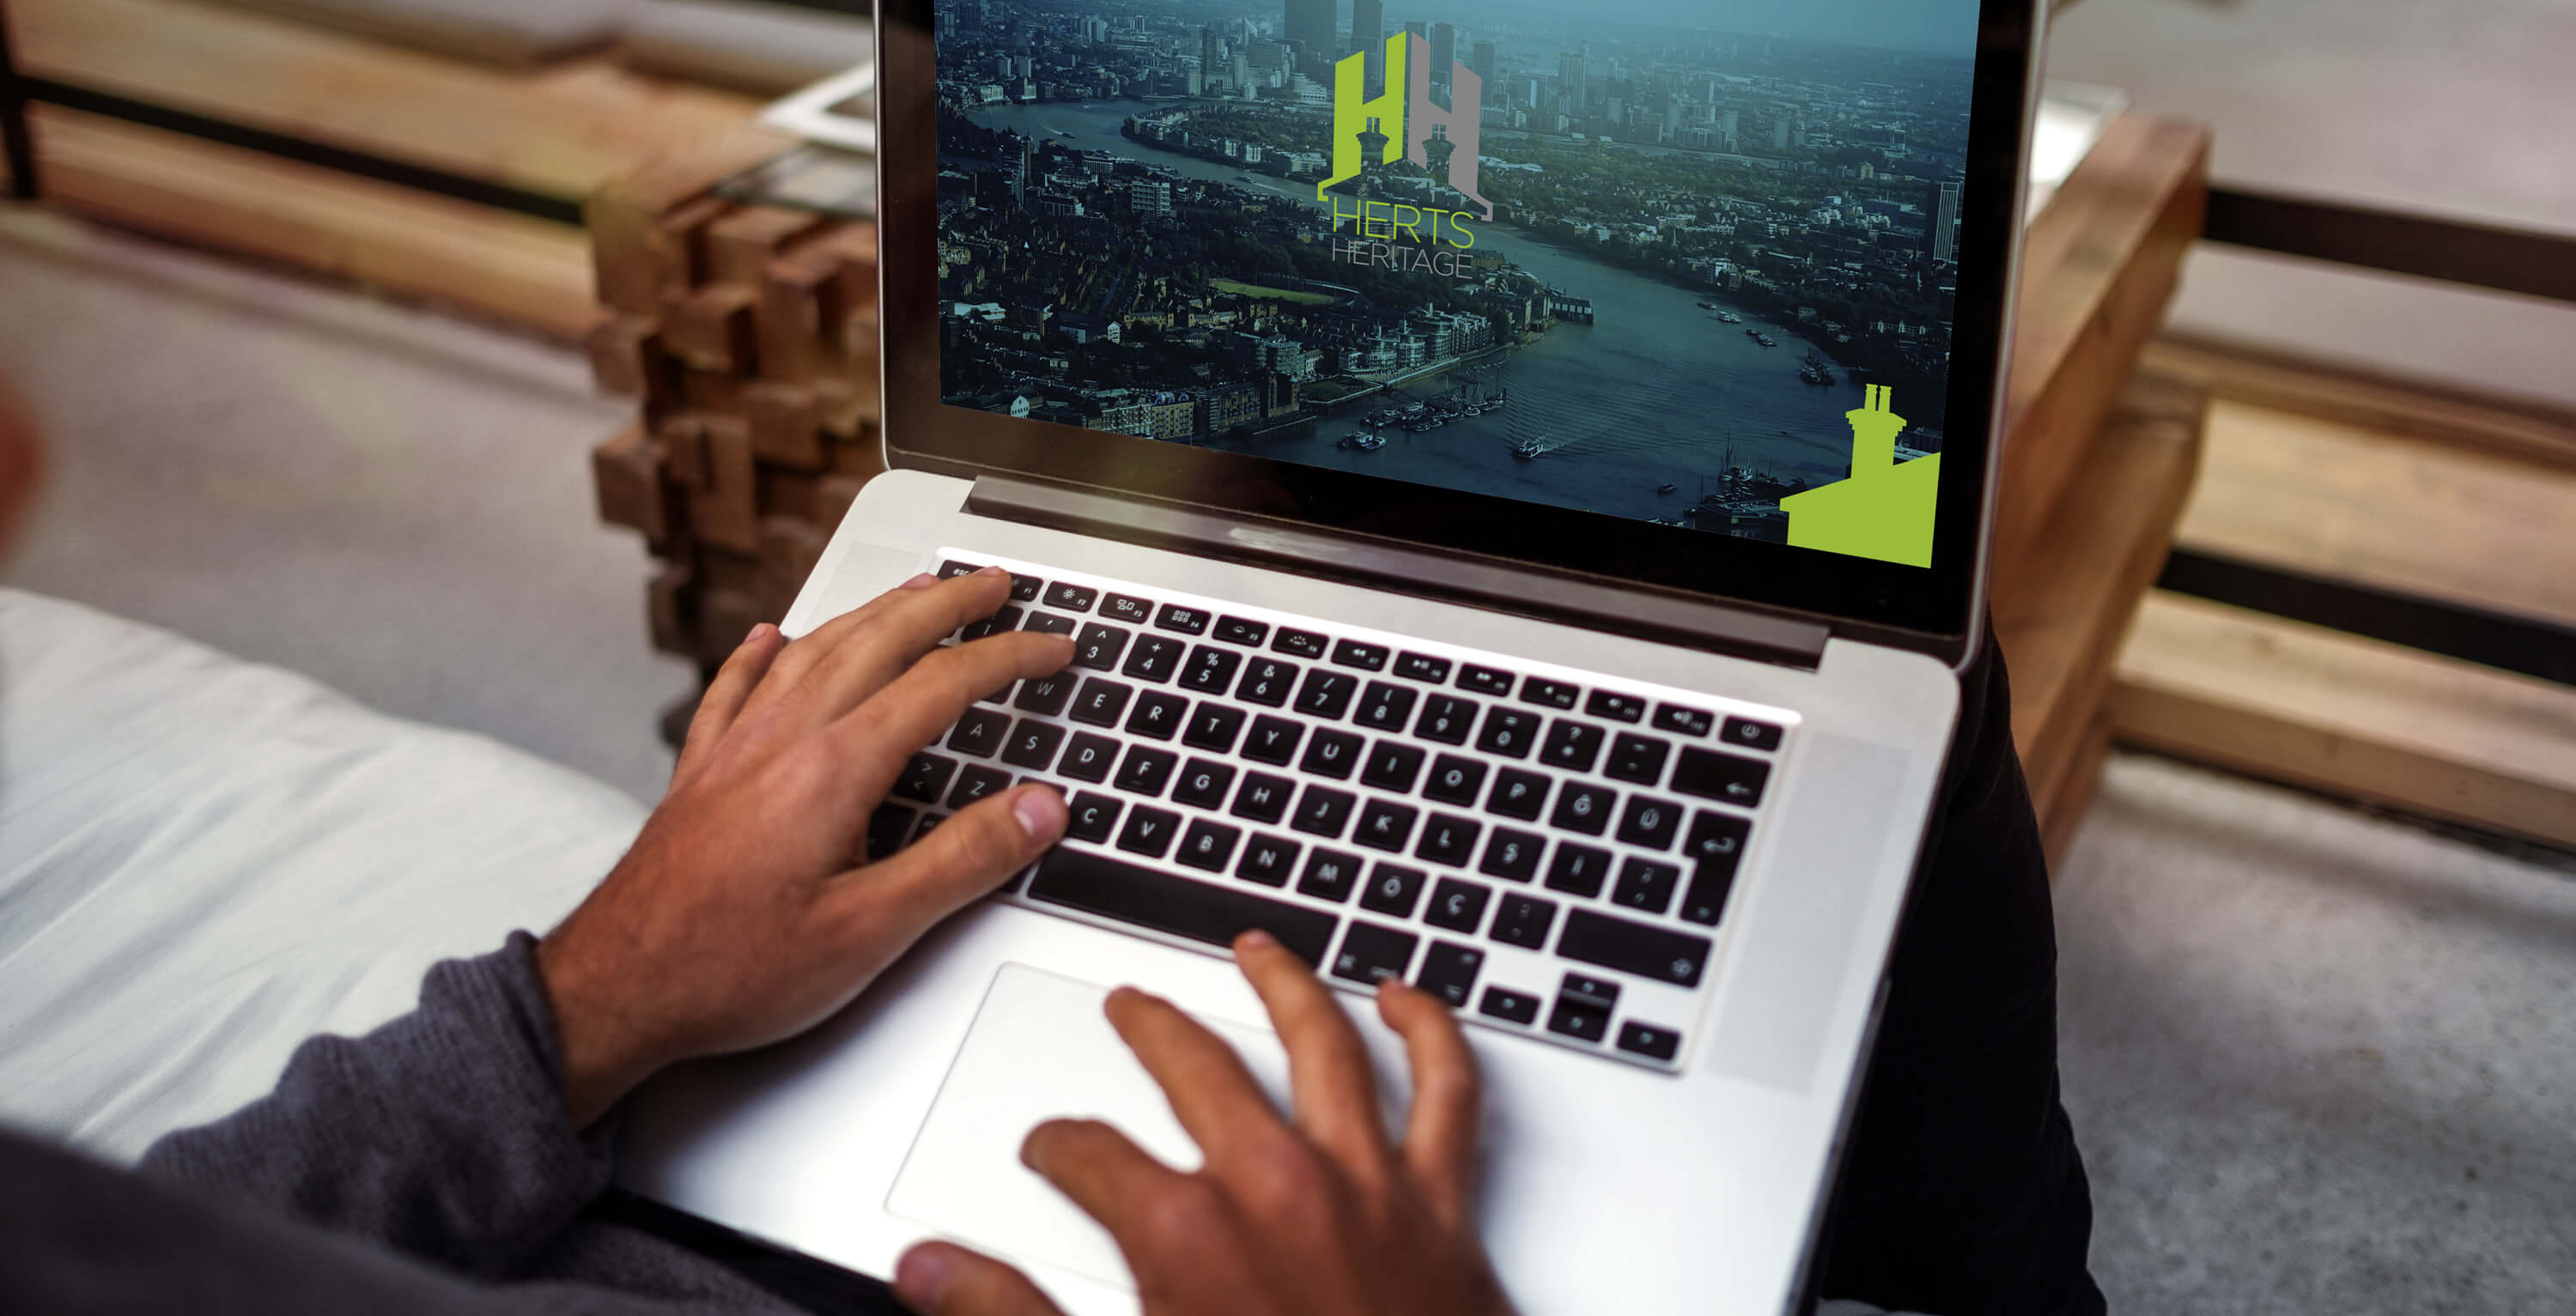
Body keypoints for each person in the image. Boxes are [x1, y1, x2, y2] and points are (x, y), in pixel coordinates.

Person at [0, 371, 2099, 1315]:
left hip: (619, 1157)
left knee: (1895, 682)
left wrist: (589, 998)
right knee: (1906, 662)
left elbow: (191, 1232)